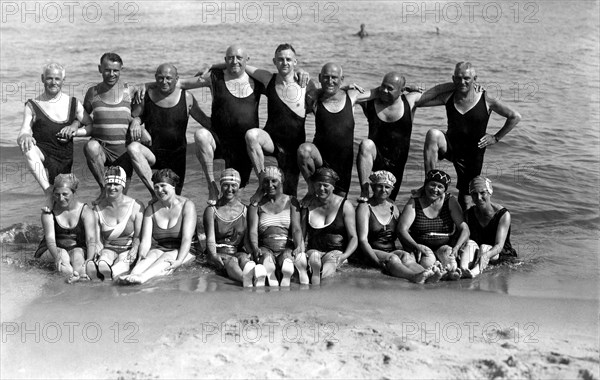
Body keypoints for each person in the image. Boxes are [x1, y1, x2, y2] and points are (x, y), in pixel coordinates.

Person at [415, 62, 522, 209]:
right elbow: (420, 102)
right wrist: (448, 86)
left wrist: (496, 137)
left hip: (472, 154)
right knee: (433, 134)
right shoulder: (448, 96)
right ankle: (429, 183)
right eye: (458, 78)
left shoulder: (486, 98)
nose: (462, 82)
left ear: (475, 78)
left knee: (465, 200)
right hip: (451, 146)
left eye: (466, 78)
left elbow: (514, 116)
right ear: (453, 79)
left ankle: (462, 227)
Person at [173, 45, 264, 203]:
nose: (234, 61)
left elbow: (282, 81)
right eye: (230, 58)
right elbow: (179, 84)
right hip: (218, 139)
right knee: (200, 134)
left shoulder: (257, 80)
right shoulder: (214, 77)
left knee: (237, 196)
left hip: (244, 144)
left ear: (247, 60)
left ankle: (241, 220)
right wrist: (142, 88)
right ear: (225, 60)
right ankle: (212, 188)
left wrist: (300, 73)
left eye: (239, 58)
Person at [243, 43, 316, 203]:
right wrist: (214, 66)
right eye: (280, 59)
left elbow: (325, 100)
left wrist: (345, 89)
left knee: (290, 196)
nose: (285, 63)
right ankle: (262, 182)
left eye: (289, 59)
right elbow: (239, 65)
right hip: (271, 141)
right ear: (274, 61)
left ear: (295, 62)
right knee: (251, 135)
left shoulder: (305, 85)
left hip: (293, 147)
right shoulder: (269, 79)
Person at [127, 63, 211, 198]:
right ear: (155, 78)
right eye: (160, 78)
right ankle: (155, 193)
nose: (164, 82)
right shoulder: (145, 96)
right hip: (153, 154)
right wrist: (137, 123)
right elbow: (132, 116)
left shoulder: (187, 97)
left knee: (174, 198)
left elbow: (205, 121)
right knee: (133, 148)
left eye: (168, 78)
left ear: (177, 79)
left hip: (177, 156)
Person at [17, 62, 92, 211]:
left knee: (64, 203)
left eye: (57, 79)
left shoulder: (73, 103)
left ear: (63, 80)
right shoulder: (32, 105)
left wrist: (74, 131)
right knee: (28, 148)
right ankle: (47, 191)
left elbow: (91, 127)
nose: (53, 82)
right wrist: (24, 135)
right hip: (43, 153)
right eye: (49, 78)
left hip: (64, 158)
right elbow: (23, 130)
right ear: (42, 79)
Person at [297, 62, 371, 198]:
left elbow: (381, 92)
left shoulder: (352, 96)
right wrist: (300, 70)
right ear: (320, 78)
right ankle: (311, 188)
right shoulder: (315, 99)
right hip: (320, 160)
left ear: (342, 79)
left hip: (343, 164)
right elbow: (298, 84)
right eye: (326, 77)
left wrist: (407, 89)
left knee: (338, 203)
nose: (330, 81)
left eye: (334, 78)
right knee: (304, 150)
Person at [355, 171, 442, 283]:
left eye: (387, 187)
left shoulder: (393, 206)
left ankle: (428, 274)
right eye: (379, 186)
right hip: (369, 252)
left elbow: (401, 233)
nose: (383, 190)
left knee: (406, 256)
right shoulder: (364, 207)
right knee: (393, 259)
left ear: (392, 189)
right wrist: (377, 262)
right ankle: (413, 277)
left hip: (390, 250)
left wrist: (413, 248)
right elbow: (363, 241)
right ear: (372, 187)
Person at [118, 169, 196, 284]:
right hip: (162, 248)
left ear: (173, 186)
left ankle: (143, 277)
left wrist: (179, 261)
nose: (160, 190)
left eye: (163, 186)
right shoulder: (151, 209)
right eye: (156, 187)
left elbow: (186, 239)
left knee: (169, 255)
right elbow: (145, 241)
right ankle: (134, 274)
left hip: (187, 250)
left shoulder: (187, 206)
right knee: (152, 254)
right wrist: (141, 257)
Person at [356, 72, 422, 202]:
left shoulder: (409, 101)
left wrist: (470, 86)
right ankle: (364, 190)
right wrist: (377, 91)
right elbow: (343, 96)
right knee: (366, 144)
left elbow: (438, 94)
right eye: (382, 86)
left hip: (397, 164)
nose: (384, 91)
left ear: (402, 90)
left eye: (390, 88)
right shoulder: (369, 103)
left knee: (389, 202)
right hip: (376, 159)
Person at [398, 170, 470, 280]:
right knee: (429, 260)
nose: (435, 189)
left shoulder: (450, 200)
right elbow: (402, 229)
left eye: (440, 186)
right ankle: (437, 272)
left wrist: (457, 247)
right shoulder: (415, 201)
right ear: (425, 184)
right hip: (421, 246)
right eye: (432, 184)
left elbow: (464, 229)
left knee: (450, 258)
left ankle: (448, 272)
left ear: (444, 189)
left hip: (444, 245)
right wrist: (415, 246)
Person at [83, 52, 136, 201]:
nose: (111, 74)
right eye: (107, 70)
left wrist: (137, 121)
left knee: (120, 199)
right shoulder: (92, 92)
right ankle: (102, 188)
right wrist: (73, 127)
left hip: (123, 151)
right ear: (100, 69)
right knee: (91, 146)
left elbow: (140, 113)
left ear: (121, 70)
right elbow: (83, 116)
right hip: (102, 149)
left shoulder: (130, 90)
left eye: (116, 70)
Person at [204, 168, 266, 287]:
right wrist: (213, 255)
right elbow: (210, 239)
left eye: (233, 185)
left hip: (236, 251)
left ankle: (255, 274)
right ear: (221, 186)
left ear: (238, 186)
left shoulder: (245, 210)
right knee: (231, 261)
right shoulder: (211, 210)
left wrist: (251, 253)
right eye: (226, 185)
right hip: (218, 253)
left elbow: (246, 240)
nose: (230, 189)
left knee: (243, 258)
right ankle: (246, 280)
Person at [248, 166, 307, 286]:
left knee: (286, 257)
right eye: (266, 181)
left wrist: (298, 246)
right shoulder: (255, 205)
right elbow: (253, 231)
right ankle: (271, 273)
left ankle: (287, 269)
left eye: (274, 181)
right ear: (261, 184)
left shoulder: (292, 201)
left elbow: (296, 229)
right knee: (266, 257)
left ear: (281, 181)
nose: (270, 185)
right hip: (265, 246)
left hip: (286, 246)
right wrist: (255, 247)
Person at [34, 173, 97, 283]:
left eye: (65, 194)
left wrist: (90, 260)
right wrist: (57, 256)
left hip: (76, 248)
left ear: (74, 192)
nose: (61, 198)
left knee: (78, 255)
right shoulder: (48, 212)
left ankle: (79, 278)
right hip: (50, 250)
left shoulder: (86, 212)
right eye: (57, 194)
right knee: (62, 255)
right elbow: (50, 240)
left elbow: (91, 240)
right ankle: (68, 278)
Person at [86, 166, 144, 281]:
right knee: (103, 261)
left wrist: (136, 248)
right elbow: (98, 241)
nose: (112, 187)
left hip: (127, 249)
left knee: (119, 266)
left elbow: (138, 237)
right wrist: (97, 252)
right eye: (109, 184)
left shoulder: (136, 206)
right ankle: (99, 273)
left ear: (123, 185)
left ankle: (110, 278)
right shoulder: (97, 209)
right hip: (108, 248)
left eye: (116, 184)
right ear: (105, 185)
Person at [302, 168, 358, 285]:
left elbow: (353, 237)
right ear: (313, 186)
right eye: (318, 185)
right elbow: (301, 235)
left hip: (336, 252)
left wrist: (344, 256)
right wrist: (301, 252)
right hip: (314, 250)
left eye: (325, 185)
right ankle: (317, 275)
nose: (321, 189)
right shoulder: (307, 205)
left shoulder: (345, 205)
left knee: (331, 261)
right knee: (314, 256)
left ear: (333, 187)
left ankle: (318, 278)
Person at [461, 176, 517, 277]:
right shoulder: (468, 214)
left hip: (498, 254)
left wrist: (486, 256)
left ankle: (474, 273)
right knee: (469, 243)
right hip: (479, 252)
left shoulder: (503, 214)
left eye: (482, 193)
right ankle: (463, 270)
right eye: (474, 194)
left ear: (490, 192)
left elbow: (499, 246)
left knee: (484, 247)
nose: (478, 198)